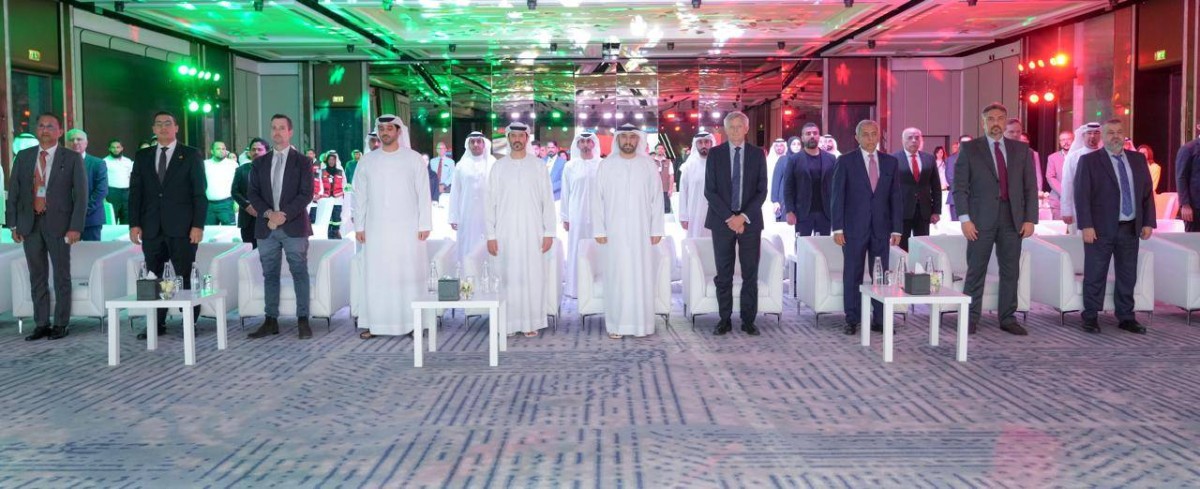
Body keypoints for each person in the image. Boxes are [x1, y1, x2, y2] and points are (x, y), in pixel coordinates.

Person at [954, 103, 1038, 335]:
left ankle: (1008, 318)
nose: (995, 123)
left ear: (1005, 121)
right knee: (976, 270)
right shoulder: (970, 149)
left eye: (1000, 118)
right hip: (979, 220)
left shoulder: (1021, 150)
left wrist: (1030, 219)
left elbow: (1030, 187)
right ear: (983, 122)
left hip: (1013, 219)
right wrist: (965, 219)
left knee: (1011, 271)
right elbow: (959, 188)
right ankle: (970, 318)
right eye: (990, 119)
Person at [7, 113, 87, 341]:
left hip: (60, 225)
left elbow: (81, 196)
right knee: (37, 275)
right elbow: (14, 192)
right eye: (41, 126)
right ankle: (41, 323)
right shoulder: (24, 157)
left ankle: (61, 324)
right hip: (29, 224)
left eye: (50, 126)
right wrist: (13, 223)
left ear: (60, 132)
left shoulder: (71, 158)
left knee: (61, 275)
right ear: (36, 130)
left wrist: (75, 227)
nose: (45, 130)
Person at [128, 111, 207, 340]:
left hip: (183, 228)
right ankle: (156, 322)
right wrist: (134, 224)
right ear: (153, 129)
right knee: (154, 277)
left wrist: (198, 225)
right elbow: (135, 193)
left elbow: (199, 193)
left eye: (168, 123)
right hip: (151, 227)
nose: (163, 128)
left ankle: (189, 322)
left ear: (176, 128)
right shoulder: (142, 156)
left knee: (184, 275)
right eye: (159, 124)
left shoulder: (190, 154)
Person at [354, 115, 433, 340]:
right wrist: (359, 225)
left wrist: (425, 224)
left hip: (408, 230)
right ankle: (376, 324)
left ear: (399, 131)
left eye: (390, 128)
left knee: (408, 275)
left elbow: (423, 193)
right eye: (381, 129)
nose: (385, 132)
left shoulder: (413, 159)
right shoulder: (367, 161)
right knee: (377, 276)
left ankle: (413, 323)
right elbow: (359, 196)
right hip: (376, 229)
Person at [1074, 119, 1155, 335]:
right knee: (1095, 274)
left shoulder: (1138, 160)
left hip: (1130, 227)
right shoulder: (1089, 161)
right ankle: (1090, 316)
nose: (1116, 136)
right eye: (1110, 132)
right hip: (1099, 229)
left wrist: (1148, 222)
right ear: (1103, 136)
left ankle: (1126, 317)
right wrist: (1086, 225)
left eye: (1119, 132)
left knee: (1128, 275)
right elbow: (1082, 195)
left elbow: (1147, 194)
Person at [592, 124, 665, 339]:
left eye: (632, 137)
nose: (628, 141)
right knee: (617, 276)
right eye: (624, 137)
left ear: (638, 140)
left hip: (642, 232)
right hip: (613, 232)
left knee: (641, 276)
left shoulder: (648, 164)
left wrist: (656, 228)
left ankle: (642, 325)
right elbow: (597, 199)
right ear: (618, 140)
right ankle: (616, 325)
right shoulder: (606, 165)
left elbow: (657, 198)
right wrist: (599, 229)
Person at [830, 120, 902, 335]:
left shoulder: (890, 162)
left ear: (879, 136)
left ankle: (880, 319)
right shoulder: (845, 162)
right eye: (865, 134)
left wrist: (897, 229)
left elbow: (896, 197)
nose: (870, 139)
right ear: (857, 137)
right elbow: (837, 197)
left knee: (880, 275)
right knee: (853, 273)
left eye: (874, 134)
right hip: (853, 229)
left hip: (881, 229)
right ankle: (852, 319)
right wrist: (837, 228)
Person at [246, 114, 314, 340]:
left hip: (293, 226)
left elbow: (306, 194)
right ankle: (270, 320)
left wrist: (283, 215)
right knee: (270, 274)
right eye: (274, 128)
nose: (277, 132)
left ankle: (303, 320)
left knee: (299, 272)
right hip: (266, 227)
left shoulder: (303, 161)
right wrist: (269, 214)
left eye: (282, 128)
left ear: (290, 132)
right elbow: (253, 193)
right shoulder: (259, 163)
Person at [485, 122, 556, 338]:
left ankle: (530, 322)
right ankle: (507, 323)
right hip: (504, 231)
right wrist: (491, 235)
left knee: (531, 276)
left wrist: (549, 232)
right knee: (506, 276)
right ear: (508, 138)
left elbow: (547, 201)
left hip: (533, 231)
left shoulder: (538, 166)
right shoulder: (498, 167)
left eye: (521, 136)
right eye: (513, 136)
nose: (517, 140)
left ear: (526, 138)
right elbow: (489, 204)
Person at [704, 111, 767, 337]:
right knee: (724, 273)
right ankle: (724, 320)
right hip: (722, 222)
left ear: (747, 129)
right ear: (725, 130)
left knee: (750, 273)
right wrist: (731, 218)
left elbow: (762, 191)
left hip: (750, 222)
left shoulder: (758, 154)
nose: (735, 131)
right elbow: (709, 191)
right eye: (731, 127)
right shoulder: (715, 154)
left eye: (739, 126)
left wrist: (743, 217)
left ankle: (748, 321)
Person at [559, 132, 601, 297]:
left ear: (593, 144)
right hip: (577, 215)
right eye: (582, 141)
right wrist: (565, 217)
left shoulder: (602, 165)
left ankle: (597, 289)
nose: (585, 144)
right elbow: (565, 193)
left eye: (588, 141)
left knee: (598, 250)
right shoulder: (570, 166)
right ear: (577, 145)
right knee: (577, 250)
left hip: (598, 216)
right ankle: (575, 289)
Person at [891, 127, 941, 250]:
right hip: (902, 211)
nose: (914, 140)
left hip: (924, 211)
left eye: (917, 137)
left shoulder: (929, 158)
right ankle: (903, 264)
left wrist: (936, 211)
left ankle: (921, 264)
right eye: (910, 138)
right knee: (902, 247)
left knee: (924, 246)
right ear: (903, 140)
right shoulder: (893, 159)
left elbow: (936, 186)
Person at [448, 131, 495, 264]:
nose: (475, 144)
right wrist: (453, 216)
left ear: (484, 144)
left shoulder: (493, 164)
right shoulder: (461, 166)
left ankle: (489, 276)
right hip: (467, 214)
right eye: (472, 142)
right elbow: (455, 192)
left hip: (488, 215)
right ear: (468, 145)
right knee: (467, 246)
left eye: (479, 141)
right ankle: (467, 275)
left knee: (488, 246)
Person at [785, 124, 837, 236]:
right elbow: (788, 187)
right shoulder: (794, 160)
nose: (812, 136)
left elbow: (836, 187)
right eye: (808, 134)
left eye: (815, 133)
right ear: (802, 138)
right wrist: (789, 211)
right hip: (802, 213)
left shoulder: (831, 159)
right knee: (803, 245)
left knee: (823, 246)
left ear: (819, 137)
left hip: (825, 213)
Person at [65, 129, 109, 241]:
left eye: (79, 139)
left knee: (91, 251)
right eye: (71, 140)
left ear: (86, 143)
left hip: (90, 219)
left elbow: (101, 190)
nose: (75, 142)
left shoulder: (97, 164)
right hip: (65, 220)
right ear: (66, 143)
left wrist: (81, 211)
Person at [1060, 123, 1103, 230]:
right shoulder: (1073, 157)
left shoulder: (1105, 156)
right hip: (1078, 208)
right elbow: (1067, 184)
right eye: (1089, 133)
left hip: (1103, 209)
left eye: (1096, 133)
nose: (1092, 136)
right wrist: (1067, 210)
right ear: (1083, 136)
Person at [677, 132, 717, 239]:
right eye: (700, 142)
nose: (703, 145)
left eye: (706, 142)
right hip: (695, 213)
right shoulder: (689, 165)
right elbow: (683, 192)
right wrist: (683, 216)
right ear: (695, 144)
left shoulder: (719, 164)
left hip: (716, 214)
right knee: (696, 241)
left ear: (711, 143)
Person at [231, 138, 267, 248]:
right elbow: (234, 191)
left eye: (260, 149)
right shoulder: (241, 170)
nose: (256, 152)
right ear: (249, 152)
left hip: (268, 219)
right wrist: (247, 206)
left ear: (267, 152)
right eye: (253, 149)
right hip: (247, 219)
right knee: (249, 251)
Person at [204, 141, 239, 225]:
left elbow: (238, 185)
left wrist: (237, 202)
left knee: (229, 231)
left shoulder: (232, 164)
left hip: (227, 204)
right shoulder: (204, 164)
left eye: (223, 149)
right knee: (209, 231)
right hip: (208, 205)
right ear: (212, 151)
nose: (221, 151)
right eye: (218, 149)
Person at [1005, 119, 1042, 191]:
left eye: (1018, 131)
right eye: (1011, 132)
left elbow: (1033, 176)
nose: (1015, 135)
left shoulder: (1029, 152)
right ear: (1004, 132)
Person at [1176, 124, 1200, 231]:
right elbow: (1181, 177)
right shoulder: (1188, 148)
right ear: (1198, 126)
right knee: (1194, 239)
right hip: (1195, 207)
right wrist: (1185, 204)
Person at [1045, 130, 1074, 219]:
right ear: (1059, 142)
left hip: (1077, 201)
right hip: (1058, 202)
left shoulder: (1080, 156)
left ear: (1074, 140)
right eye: (1063, 140)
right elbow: (1050, 177)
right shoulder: (1052, 158)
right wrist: (1065, 193)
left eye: (1068, 139)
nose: (1066, 142)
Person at [103, 138, 133, 224]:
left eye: (118, 147)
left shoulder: (128, 161)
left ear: (122, 148)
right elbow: (102, 180)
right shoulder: (104, 161)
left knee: (127, 219)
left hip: (126, 193)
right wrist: (103, 197)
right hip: (112, 193)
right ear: (109, 148)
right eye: (113, 147)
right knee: (112, 218)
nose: (116, 149)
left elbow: (131, 177)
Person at [317, 150, 346, 239]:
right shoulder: (322, 171)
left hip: (338, 197)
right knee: (327, 216)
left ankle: (336, 231)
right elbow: (319, 183)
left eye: (333, 160)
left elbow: (344, 183)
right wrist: (320, 194)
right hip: (326, 198)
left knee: (336, 216)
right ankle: (329, 232)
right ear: (327, 160)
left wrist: (344, 193)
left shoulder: (340, 171)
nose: (331, 161)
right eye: (330, 160)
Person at [945, 135, 972, 220]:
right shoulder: (951, 159)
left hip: (975, 201)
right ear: (959, 144)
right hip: (957, 199)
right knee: (957, 226)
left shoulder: (978, 159)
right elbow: (950, 178)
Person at [766, 138, 788, 222]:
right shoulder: (768, 161)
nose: (779, 148)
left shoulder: (787, 160)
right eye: (777, 146)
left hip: (782, 195)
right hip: (769, 193)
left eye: (781, 145)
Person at [652, 144, 674, 213]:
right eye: (658, 148)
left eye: (662, 148)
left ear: (664, 150)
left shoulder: (669, 162)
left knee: (666, 209)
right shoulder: (650, 161)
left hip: (665, 189)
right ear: (655, 150)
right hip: (654, 190)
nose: (660, 150)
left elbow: (671, 176)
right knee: (654, 209)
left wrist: (670, 189)